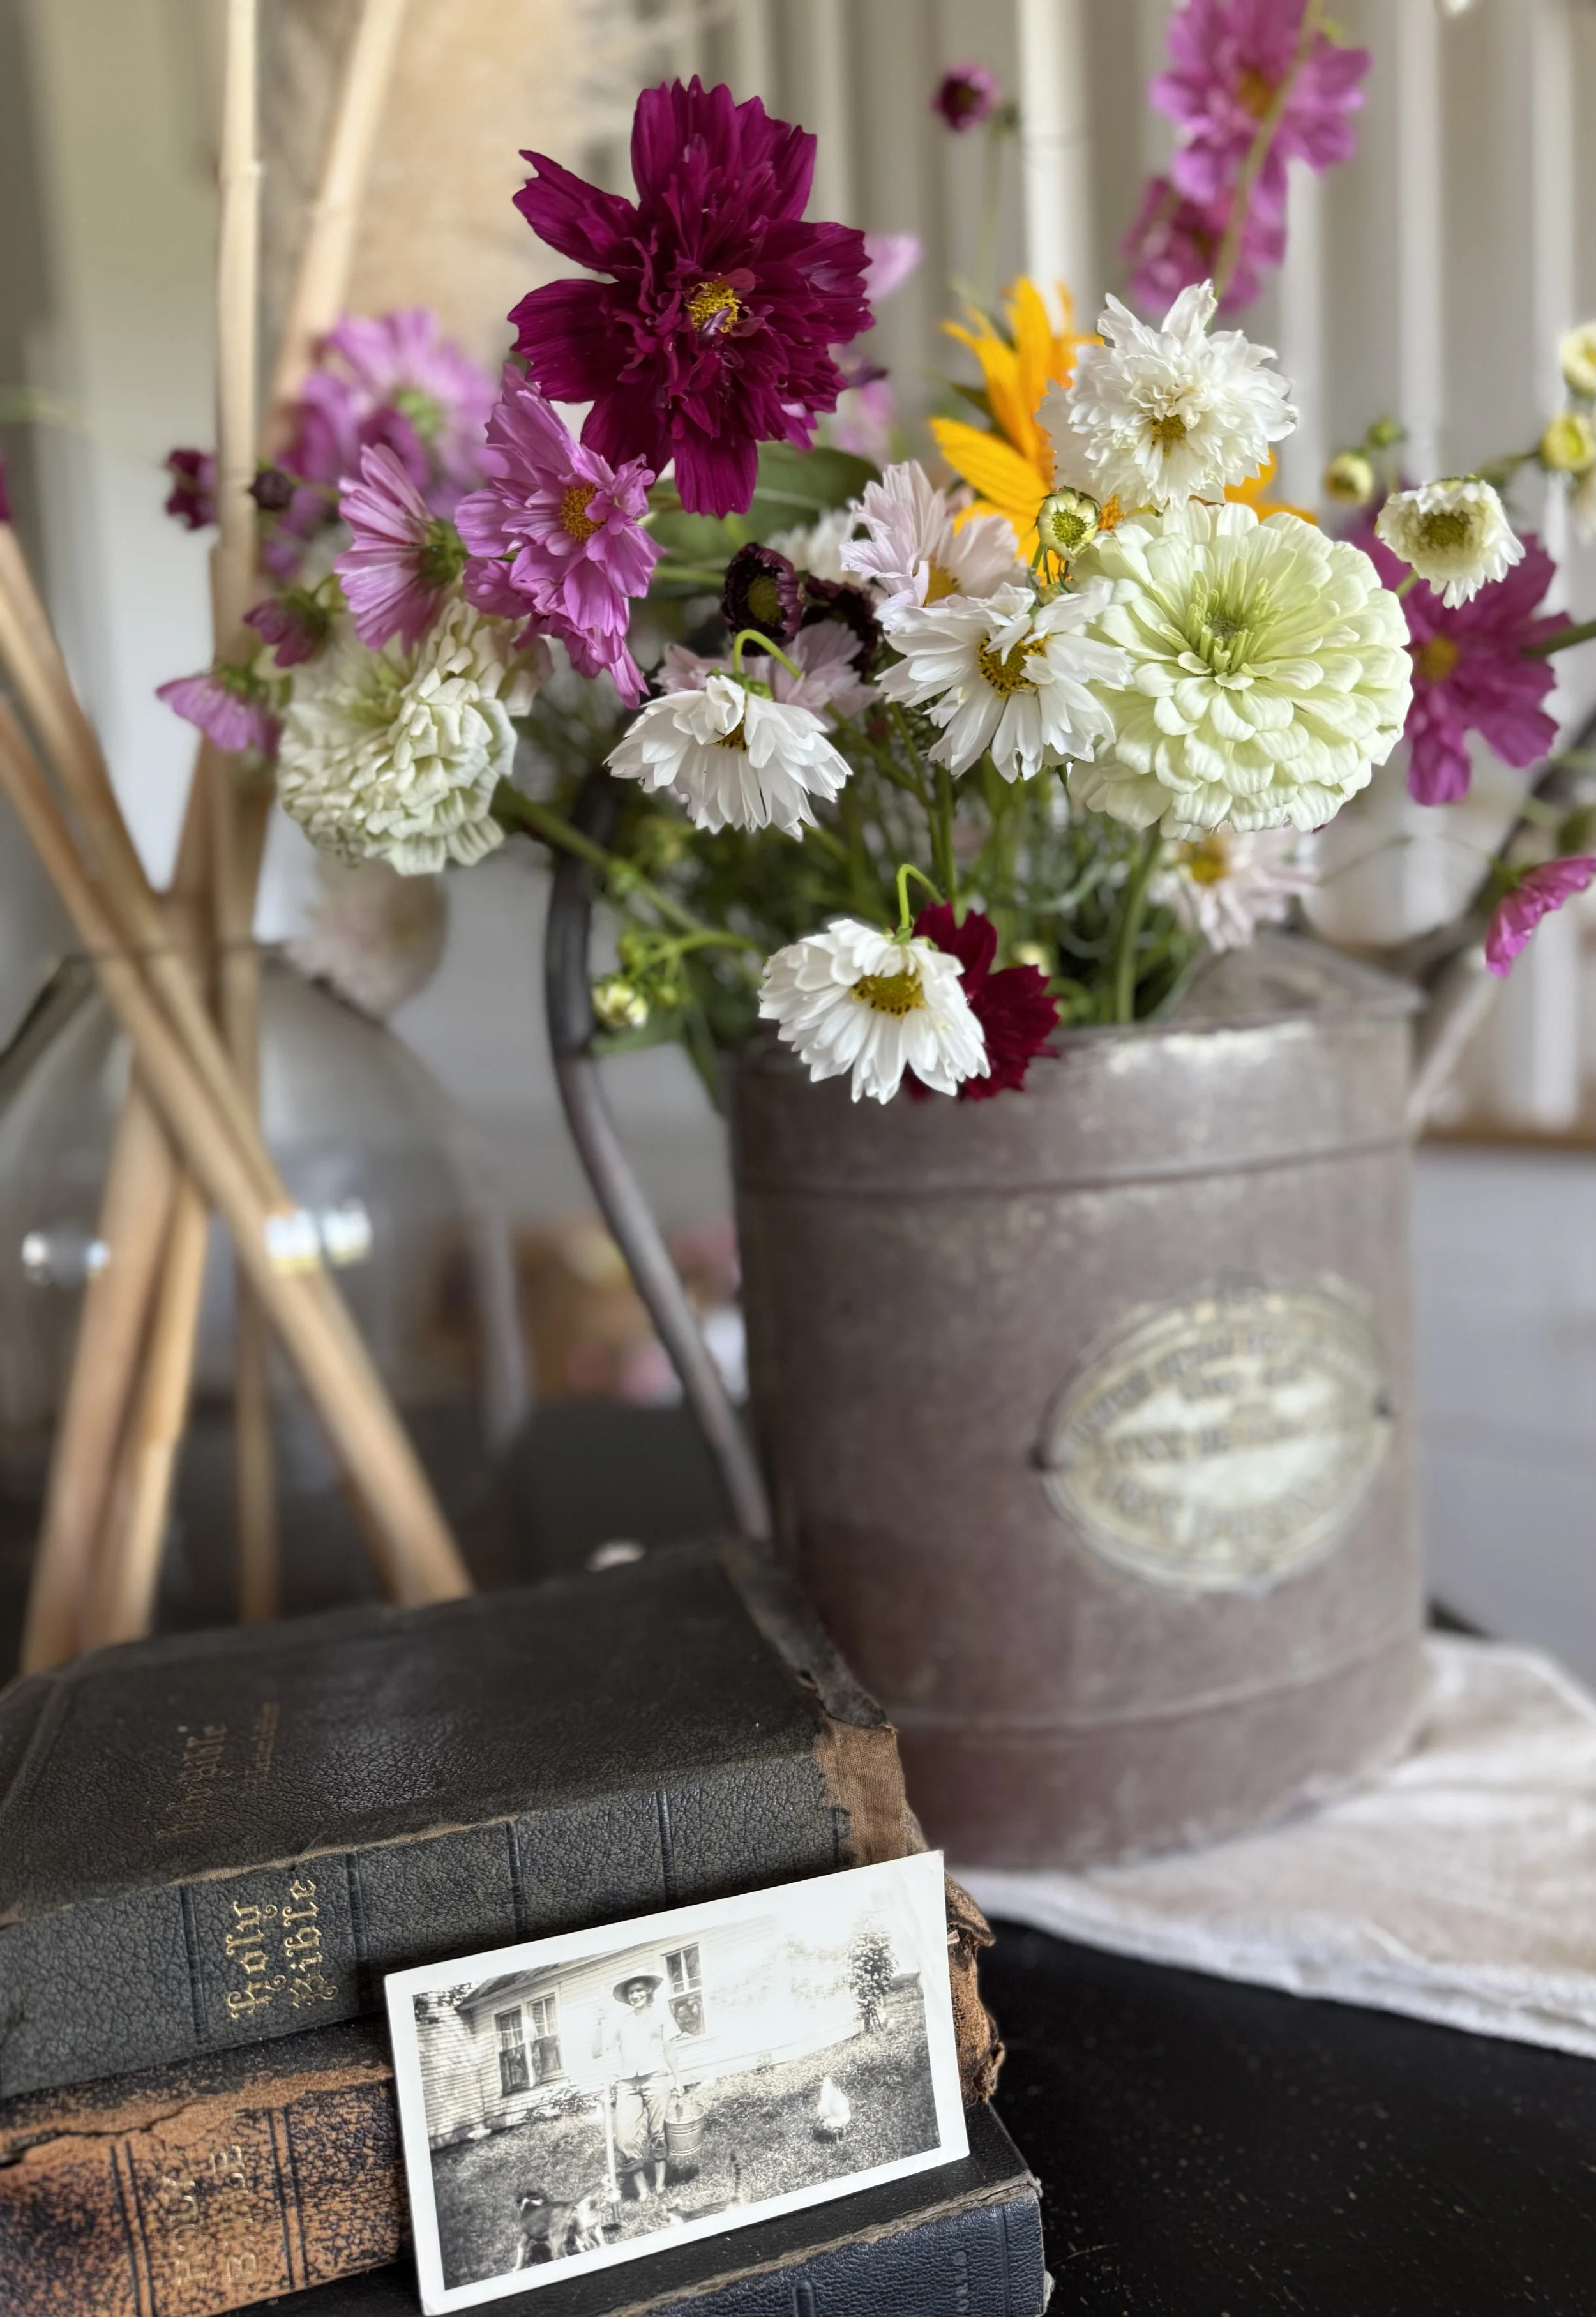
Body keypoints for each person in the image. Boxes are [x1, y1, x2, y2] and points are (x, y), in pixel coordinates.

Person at [598, 1970, 681, 2203]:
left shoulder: (662, 2015)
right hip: (627, 2082)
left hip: (656, 2077)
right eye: (631, 1993)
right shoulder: (622, 2022)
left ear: (648, 1991)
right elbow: (598, 2051)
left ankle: (660, 2185)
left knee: (657, 2131)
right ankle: (643, 2191)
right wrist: (599, 2025)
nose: (635, 1996)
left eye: (639, 1991)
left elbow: (670, 2051)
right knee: (625, 2139)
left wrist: (678, 2079)